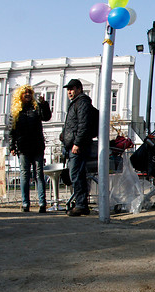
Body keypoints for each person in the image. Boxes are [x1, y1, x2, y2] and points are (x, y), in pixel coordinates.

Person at [8, 85, 52, 213]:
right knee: (24, 174)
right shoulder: (16, 112)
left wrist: (44, 104)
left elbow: (46, 117)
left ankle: (42, 203)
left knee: (39, 174)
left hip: (37, 145)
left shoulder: (36, 107)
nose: (27, 94)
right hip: (23, 147)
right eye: (24, 92)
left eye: (29, 92)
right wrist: (12, 146)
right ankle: (25, 203)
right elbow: (12, 131)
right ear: (20, 95)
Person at [61, 79, 94, 216]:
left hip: (77, 146)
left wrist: (77, 143)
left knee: (76, 174)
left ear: (79, 89)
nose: (69, 91)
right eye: (68, 89)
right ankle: (81, 204)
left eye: (72, 88)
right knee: (75, 175)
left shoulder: (82, 103)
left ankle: (81, 204)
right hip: (72, 144)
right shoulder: (76, 103)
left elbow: (83, 124)